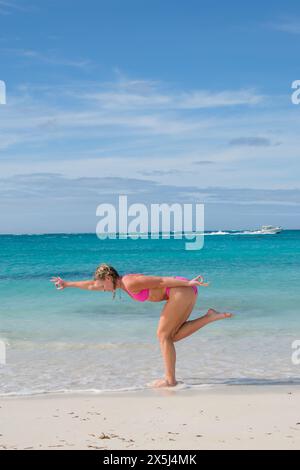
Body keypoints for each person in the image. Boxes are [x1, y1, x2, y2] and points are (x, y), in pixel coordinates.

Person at [51, 263, 233, 388]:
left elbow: (161, 281)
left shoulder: (130, 282)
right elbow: (91, 285)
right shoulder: (118, 285)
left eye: (103, 285)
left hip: (180, 289)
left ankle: (170, 381)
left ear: (108, 277)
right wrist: (67, 284)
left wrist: (188, 283)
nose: (103, 289)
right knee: (172, 336)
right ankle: (209, 317)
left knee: (162, 336)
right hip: (182, 292)